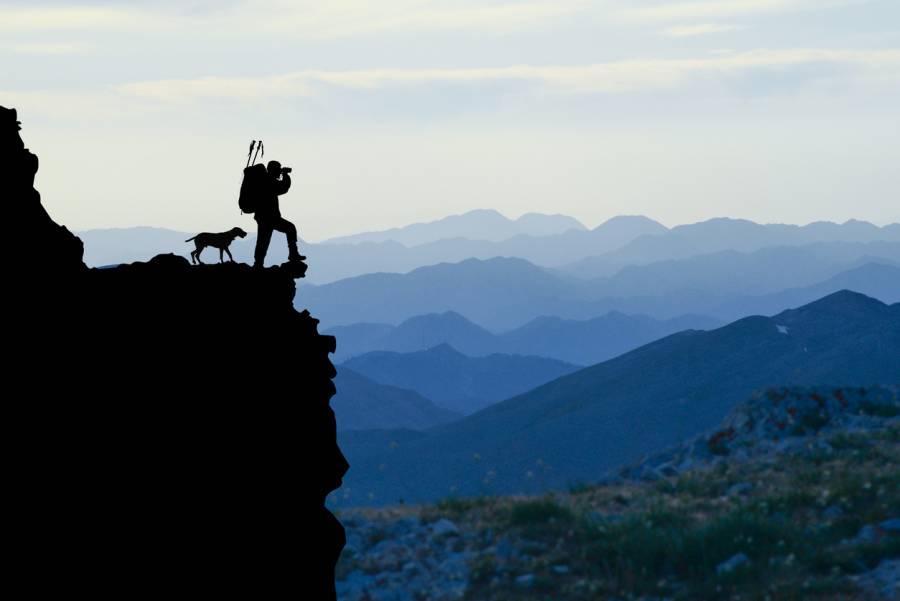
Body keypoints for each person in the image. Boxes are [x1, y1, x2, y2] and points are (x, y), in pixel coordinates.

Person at [253, 160, 304, 268]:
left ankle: (258, 264)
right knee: (289, 229)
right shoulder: (268, 181)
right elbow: (284, 187)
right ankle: (293, 255)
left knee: (263, 241)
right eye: (278, 169)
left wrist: (283, 174)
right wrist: (286, 175)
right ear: (273, 169)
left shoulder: (264, 180)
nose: (279, 172)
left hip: (264, 217)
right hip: (269, 217)